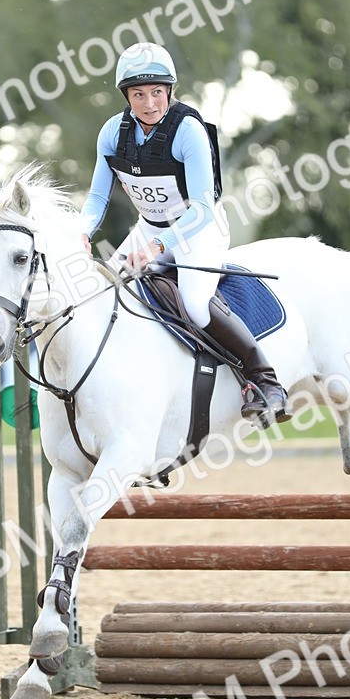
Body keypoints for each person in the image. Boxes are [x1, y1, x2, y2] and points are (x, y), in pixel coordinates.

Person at [80, 41, 291, 427]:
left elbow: (202, 208)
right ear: (126, 96)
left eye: (157, 92)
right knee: (101, 291)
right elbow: (96, 196)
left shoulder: (187, 131)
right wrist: (82, 231)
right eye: (139, 94)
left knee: (194, 304)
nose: (149, 103)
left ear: (170, 91)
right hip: (149, 228)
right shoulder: (113, 132)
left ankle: (264, 379)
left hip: (199, 230)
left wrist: (160, 246)